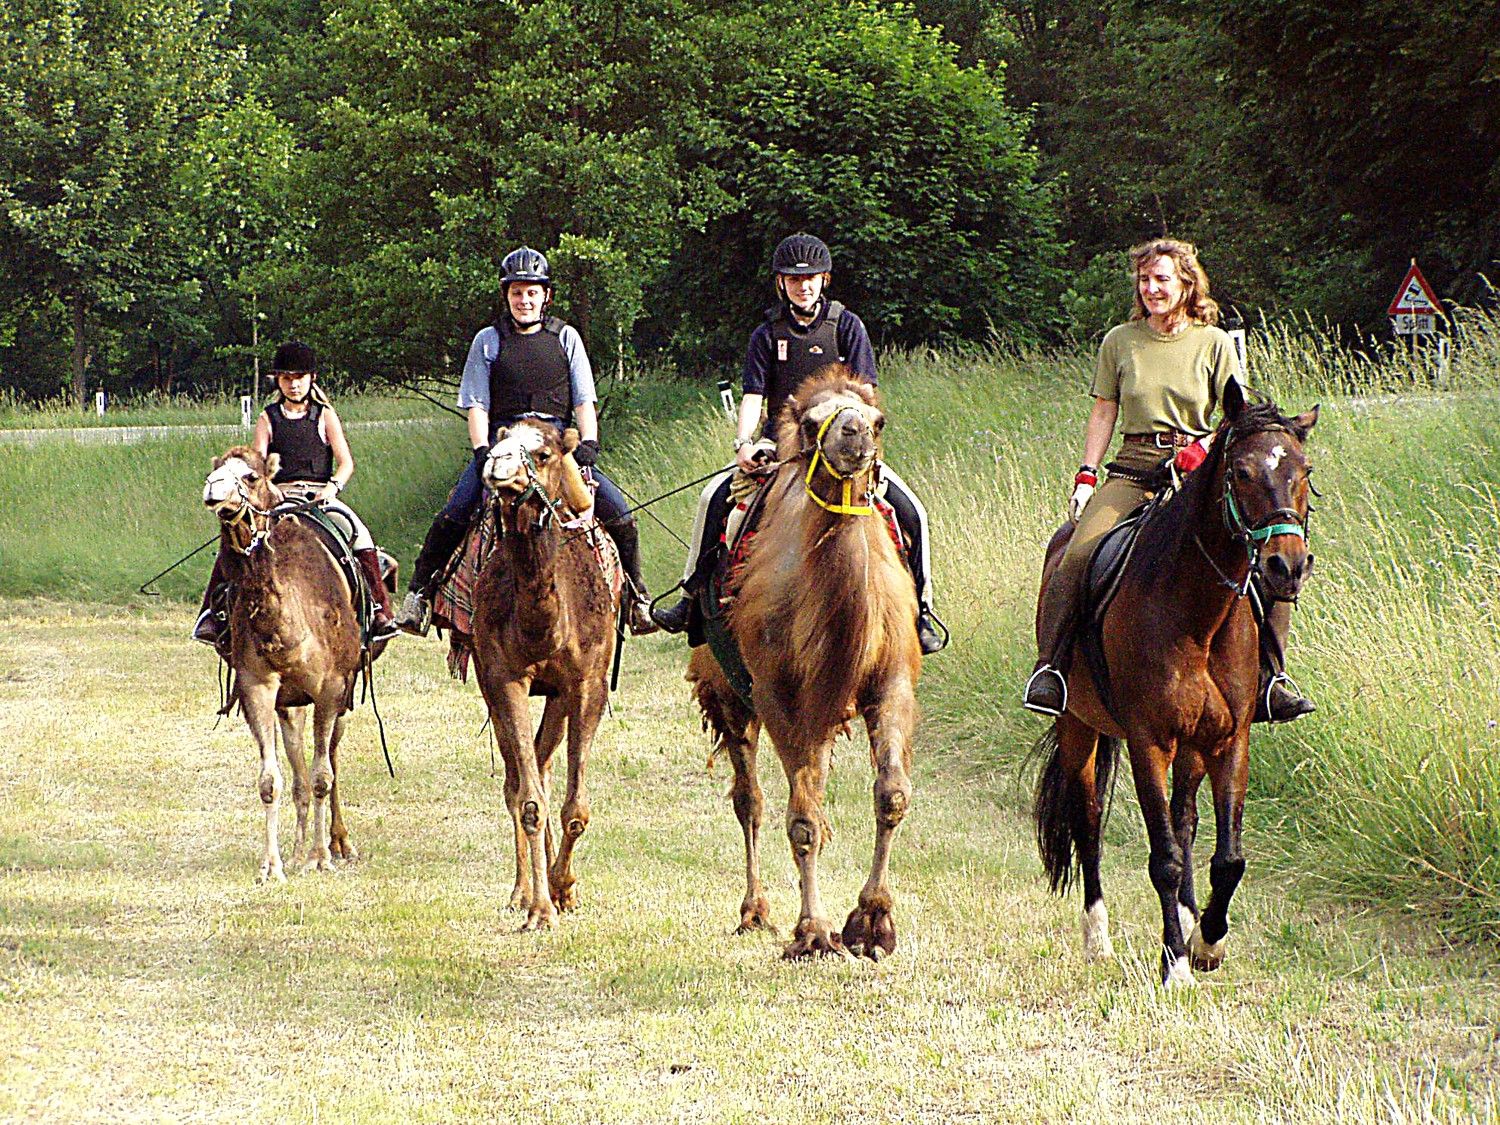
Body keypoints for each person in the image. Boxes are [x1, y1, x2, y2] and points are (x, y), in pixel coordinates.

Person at [1021, 237, 1314, 723]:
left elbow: (1236, 416)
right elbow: (1103, 412)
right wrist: (1087, 474)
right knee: (1077, 552)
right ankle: (1052, 670)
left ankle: (1273, 679)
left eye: (1162, 279)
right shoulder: (1119, 341)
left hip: (1200, 474)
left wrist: (1200, 450)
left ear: (1186, 283)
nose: (1152, 289)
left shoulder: (1214, 342)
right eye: (1144, 280)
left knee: (1263, 554)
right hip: (1135, 467)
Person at [650, 233, 946, 655]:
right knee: (712, 499)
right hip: (785, 448)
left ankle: (923, 611)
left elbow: (867, 393)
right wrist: (744, 443)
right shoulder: (766, 334)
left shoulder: (847, 325)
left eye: (810, 278)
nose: (802, 286)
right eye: (793, 279)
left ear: (824, 280)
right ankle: (692, 600)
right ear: (781, 284)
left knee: (912, 511)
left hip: (843, 450)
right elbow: (754, 395)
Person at [391, 246, 657, 636]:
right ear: (507, 296)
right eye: (517, 292)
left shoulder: (566, 337)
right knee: (457, 509)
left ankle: (637, 598)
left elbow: (584, 400)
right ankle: (419, 595)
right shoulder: (487, 340)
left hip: (553, 444)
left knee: (619, 512)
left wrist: (589, 444)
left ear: (545, 295)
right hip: (505, 440)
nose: (524, 300)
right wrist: (482, 451)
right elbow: (477, 405)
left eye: (532, 292)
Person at [192, 340, 399, 646]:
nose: (293, 384)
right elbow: (257, 463)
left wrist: (332, 489)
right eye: (286, 378)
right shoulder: (268, 417)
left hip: (320, 497)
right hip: (281, 497)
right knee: (237, 539)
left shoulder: (324, 415)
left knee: (360, 535)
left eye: (299, 377)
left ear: (311, 378)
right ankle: (211, 613)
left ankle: (379, 611)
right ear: (278, 381)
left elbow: (346, 463)